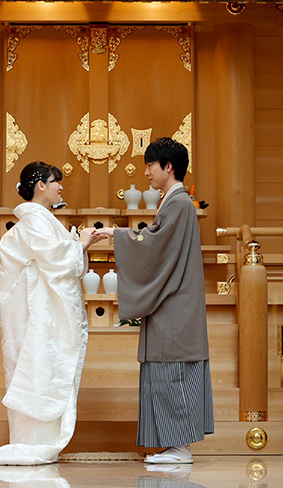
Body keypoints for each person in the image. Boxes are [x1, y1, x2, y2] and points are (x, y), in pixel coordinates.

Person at [0, 161, 105, 465]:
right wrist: (80, 243)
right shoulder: (35, 221)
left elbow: (59, 258)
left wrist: (79, 245)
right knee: (36, 369)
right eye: (55, 181)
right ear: (40, 186)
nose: (60, 187)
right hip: (35, 315)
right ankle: (32, 443)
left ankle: (39, 441)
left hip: (40, 313)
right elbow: (56, 260)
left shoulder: (42, 220)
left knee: (41, 370)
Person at [95, 138, 213, 465]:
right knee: (164, 372)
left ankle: (179, 447)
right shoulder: (175, 202)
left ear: (168, 166)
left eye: (150, 165)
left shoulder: (179, 204)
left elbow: (154, 245)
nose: (146, 172)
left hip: (174, 304)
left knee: (171, 373)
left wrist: (117, 234)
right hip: (172, 301)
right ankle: (172, 445)